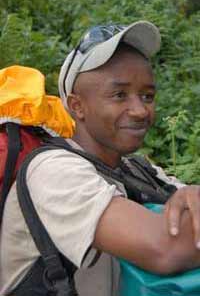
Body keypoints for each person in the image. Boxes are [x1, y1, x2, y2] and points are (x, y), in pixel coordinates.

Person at [1, 21, 200, 296]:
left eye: (147, 95)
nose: (141, 110)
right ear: (77, 106)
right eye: (119, 95)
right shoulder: (52, 171)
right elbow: (165, 248)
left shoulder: (137, 169)